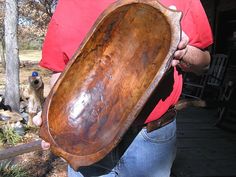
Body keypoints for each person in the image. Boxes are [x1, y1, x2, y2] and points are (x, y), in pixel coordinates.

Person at [33, 0, 213, 176]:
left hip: (149, 141)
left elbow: (204, 63)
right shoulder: (70, 3)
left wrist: (183, 52)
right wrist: (53, 125)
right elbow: (60, 69)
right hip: (85, 140)